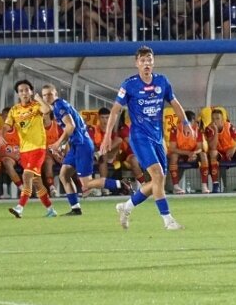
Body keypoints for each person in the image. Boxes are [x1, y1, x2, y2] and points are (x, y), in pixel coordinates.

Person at [101, 46, 190, 230]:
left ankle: (126, 207)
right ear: (137, 64)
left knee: (158, 181)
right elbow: (116, 110)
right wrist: (107, 135)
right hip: (139, 136)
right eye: (142, 61)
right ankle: (168, 221)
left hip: (157, 137)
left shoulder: (162, 81)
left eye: (149, 60)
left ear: (153, 61)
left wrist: (186, 123)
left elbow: (175, 103)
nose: (146, 63)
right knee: (157, 175)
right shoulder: (129, 84)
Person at [40, 84, 132, 215]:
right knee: (64, 174)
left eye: (49, 94)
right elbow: (70, 130)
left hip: (82, 145)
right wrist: (62, 145)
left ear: (55, 94)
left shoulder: (60, 106)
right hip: (76, 145)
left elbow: (70, 127)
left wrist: (57, 143)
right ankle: (75, 208)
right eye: (44, 95)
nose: (47, 97)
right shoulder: (57, 106)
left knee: (87, 184)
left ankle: (120, 184)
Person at [5, 80, 56, 219]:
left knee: (26, 176)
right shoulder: (14, 110)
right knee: (37, 182)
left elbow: (48, 110)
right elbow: (7, 126)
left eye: (27, 90)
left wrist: (39, 98)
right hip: (24, 150)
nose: (24, 93)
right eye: (21, 91)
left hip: (38, 148)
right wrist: (4, 134)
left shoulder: (37, 105)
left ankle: (20, 208)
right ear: (18, 94)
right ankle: (50, 209)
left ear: (31, 91)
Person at [204, 108, 236, 193]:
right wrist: (215, 131)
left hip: (231, 151)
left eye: (217, 118)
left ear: (222, 119)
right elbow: (212, 147)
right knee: (213, 153)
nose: (215, 121)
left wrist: (234, 148)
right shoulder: (209, 129)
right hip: (218, 153)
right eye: (213, 119)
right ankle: (216, 185)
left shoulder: (229, 126)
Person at [168, 110, 210, 194]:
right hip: (180, 154)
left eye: (188, 123)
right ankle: (176, 187)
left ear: (194, 122)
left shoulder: (198, 130)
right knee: (173, 156)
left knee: (203, 155)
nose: (186, 126)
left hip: (192, 154)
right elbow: (172, 148)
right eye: (184, 123)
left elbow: (199, 147)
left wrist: (193, 153)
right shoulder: (175, 130)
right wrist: (188, 153)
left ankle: (204, 186)